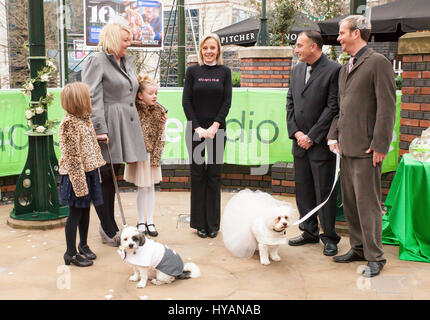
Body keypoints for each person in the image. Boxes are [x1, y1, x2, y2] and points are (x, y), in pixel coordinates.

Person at [327, 15, 396, 277]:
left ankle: (375, 257)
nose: (339, 37)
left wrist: (380, 145)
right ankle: (357, 248)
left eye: (342, 32)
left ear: (356, 33)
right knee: (352, 204)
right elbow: (341, 109)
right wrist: (334, 136)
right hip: (346, 148)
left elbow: (387, 108)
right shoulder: (346, 68)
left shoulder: (378, 63)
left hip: (368, 151)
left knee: (368, 205)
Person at [82, 22, 148, 246]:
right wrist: (99, 129)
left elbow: (132, 91)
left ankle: (108, 225)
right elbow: (91, 96)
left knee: (113, 174)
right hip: (108, 124)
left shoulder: (127, 60)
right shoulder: (96, 60)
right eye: (125, 40)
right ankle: (109, 227)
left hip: (125, 123)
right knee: (105, 175)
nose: (129, 44)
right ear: (112, 39)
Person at [286, 30, 341, 256]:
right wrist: (297, 133)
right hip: (299, 144)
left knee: (323, 191)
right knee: (304, 190)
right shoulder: (297, 69)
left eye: (300, 45)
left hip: (319, 145)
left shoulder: (335, 70)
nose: (296, 49)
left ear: (314, 47)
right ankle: (308, 231)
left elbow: (333, 107)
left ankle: (329, 237)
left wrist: (312, 136)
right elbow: (290, 102)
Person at [182, 33, 232, 239]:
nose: (209, 52)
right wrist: (197, 128)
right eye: (205, 48)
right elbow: (186, 102)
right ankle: (199, 224)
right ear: (201, 50)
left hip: (217, 132)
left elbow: (226, 102)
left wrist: (214, 127)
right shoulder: (192, 71)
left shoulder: (225, 72)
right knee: (198, 177)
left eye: (212, 48)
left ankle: (213, 224)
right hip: (195, 133)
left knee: (213, 177)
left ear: (218, 50)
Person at [58, 82, 106, 267]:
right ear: (79, 101)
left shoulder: (84, 119)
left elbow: (88, 144)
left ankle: (83, 245)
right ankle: (70, 253)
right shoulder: (69, 123)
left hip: (89, 171)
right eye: (87, 96)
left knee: (85, 211)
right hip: (76, 176)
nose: (90, 99)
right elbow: (72, 156)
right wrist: (79, 184)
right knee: (75, 214)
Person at [124, 75, 167, 237]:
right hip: (139, 155)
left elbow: (161, 136)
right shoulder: (133, 110)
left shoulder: (159, 112)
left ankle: (150, 220)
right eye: (150, 93)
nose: (154, 96)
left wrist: (156, 157)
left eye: (156, 93)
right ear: (140, 95)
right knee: (142, 188)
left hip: (151, 155)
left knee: (150, 188)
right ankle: (140, 220)